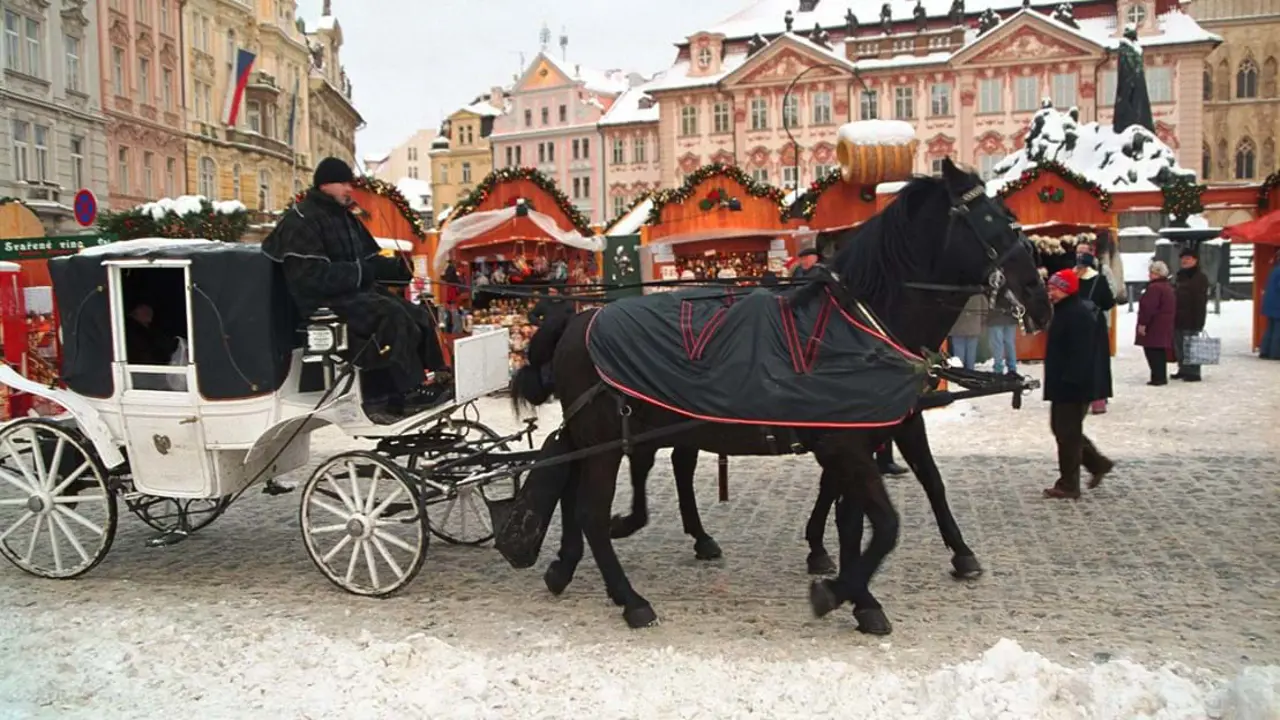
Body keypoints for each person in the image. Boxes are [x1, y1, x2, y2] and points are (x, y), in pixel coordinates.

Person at [263, 157, 452, 422]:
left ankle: (437, 375)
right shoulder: (301, 219)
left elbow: (370, 262)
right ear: (326, 184)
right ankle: (404, 394)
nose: (350, 189)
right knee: (391, 315)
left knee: (416, 313)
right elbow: (310, 277)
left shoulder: (345, 217)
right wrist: (360, 272)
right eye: (344, 183)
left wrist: (398, 268)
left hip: (355, 294)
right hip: (322, 305)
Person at [1041, 269, 1114, 500]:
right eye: (1049, 288)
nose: (1050, 293)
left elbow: (1082, 354)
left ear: (1066, 289)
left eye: (1054, 288)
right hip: (1063, 383)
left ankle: (1069, 484)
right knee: (1063, 430)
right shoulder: (1065, 311)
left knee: (1068, 434)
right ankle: (1098, 463)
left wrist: (1071, 381)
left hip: (1073, 385)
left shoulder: (1077, 314)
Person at [1075, 246, 1116, 413]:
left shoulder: (1070, 279)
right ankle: (1098, 399)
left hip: (1075, 325)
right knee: (1097, 361)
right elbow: (1108, 302)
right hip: (1095, 325)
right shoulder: (1099, 280)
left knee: (1076, 361)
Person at [1136, 260, 1176, 386]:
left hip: (1154, 325)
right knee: (1159, 351)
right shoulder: (1167, 287)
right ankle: (1160, 376)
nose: (1149, 275)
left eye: (1152, 272)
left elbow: (1148, 308)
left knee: (1152, 351)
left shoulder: (1154, 288)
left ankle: (1157, 377)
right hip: (1164, 323)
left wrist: (1143, 323)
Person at [1172, 248, 1210, 381]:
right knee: (1179, 346)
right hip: (1177, 317)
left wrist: (1199, 321)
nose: (1185, 261)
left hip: (1192, 317)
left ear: (1195, 260)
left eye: (1188, 258)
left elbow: (1200, 301)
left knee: (1191, 346)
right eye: (1183, 258)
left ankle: (1193, 372)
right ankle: (1183, 368)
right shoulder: (1179, 275)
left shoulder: (1200, 277)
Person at [948, 295, 987, 371]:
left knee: (958, 356)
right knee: (971, 355)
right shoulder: (979, 294)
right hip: (973, 327)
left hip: (958, 328)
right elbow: (985, 311)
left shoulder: (955, 293)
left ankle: (959, 373)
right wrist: (979, 322)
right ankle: (970, 373)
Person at [986, 303, 1019, 377]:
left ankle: (998, 370)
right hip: (1011, 316)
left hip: (995, 317)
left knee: (997, 345)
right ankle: (1012, 369)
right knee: (1010, 344)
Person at [1263, 262, 1280, 360]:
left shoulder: (1274, 270)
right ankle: (1275, 353)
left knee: (1270, 329)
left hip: (1270, 304)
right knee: (1278, 330)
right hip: (1277, 305)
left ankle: (1265, 351)